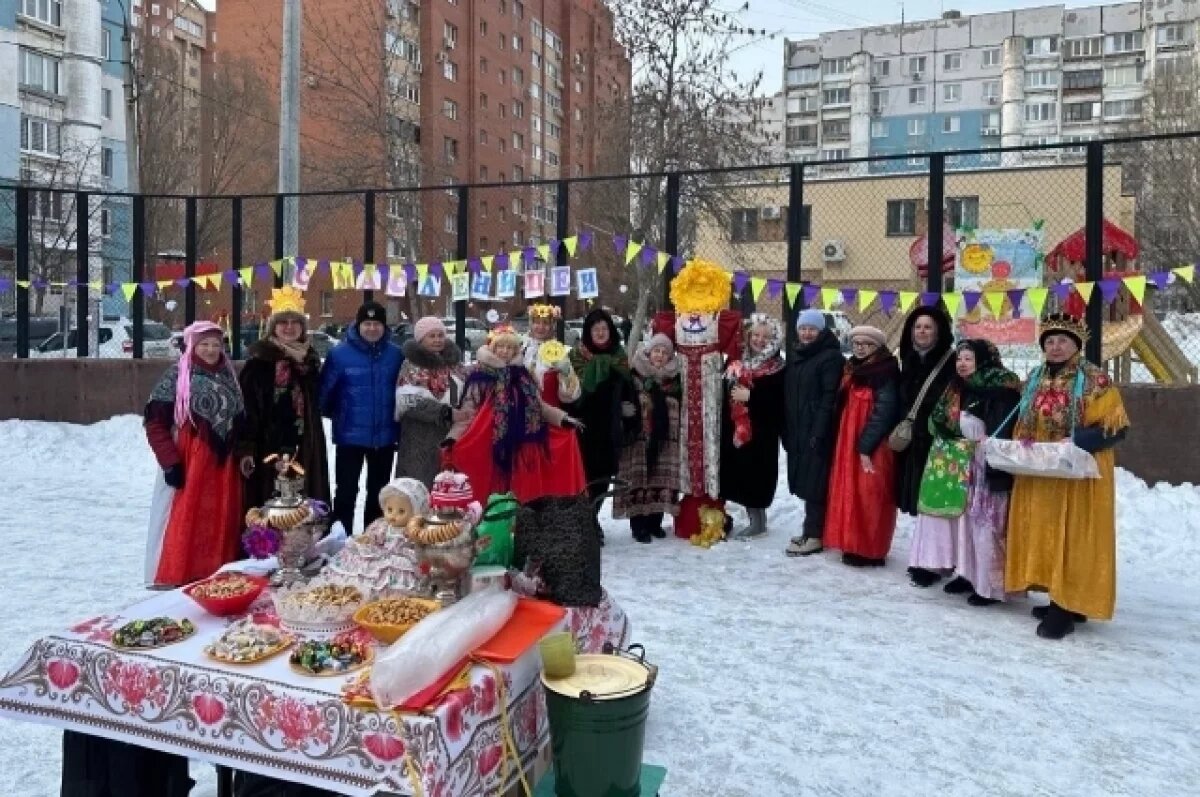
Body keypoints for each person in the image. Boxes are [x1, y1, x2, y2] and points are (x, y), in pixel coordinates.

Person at [1006, 314, 1129, 640]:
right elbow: (1024, 417)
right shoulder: (1035, 376)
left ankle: (1065, 608)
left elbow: (1116, 428)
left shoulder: (1095, 380)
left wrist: (1076, 441)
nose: (1055, 347)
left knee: (1073, 536)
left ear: (1076, 345)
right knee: (1047, 533)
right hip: (1043, 471)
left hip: (1079, 474)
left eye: (1062, 341)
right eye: (1049, 341)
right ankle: (1062, 598)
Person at [908, 340, 1021, 603]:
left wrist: (983, 445)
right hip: (960, 463)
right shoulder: (958, 387)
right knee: (965, 523)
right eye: (959, 358)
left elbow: (1002, 428)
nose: (961, 364)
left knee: (986, 523)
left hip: (986, 464)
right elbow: (938, 421)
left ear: (982, 360)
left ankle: (990, 586)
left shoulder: (1001, 388)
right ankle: (968, 574)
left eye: (968, 358)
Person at [143, 321, 245, 587]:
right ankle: (180, 573)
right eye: (204, 344)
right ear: (191, 345)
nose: (211, 350)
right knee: (187, 517)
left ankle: (216, 571)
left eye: (216, 344)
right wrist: (170, 462)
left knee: (221, 517)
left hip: (223, 464)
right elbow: (155, 423)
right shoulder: (177, 375)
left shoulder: (228, 374)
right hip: (191, 461)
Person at [651, 260, 742, 538]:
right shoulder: (671, 320)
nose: (699, 291)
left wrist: (735, 372)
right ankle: (689, 499)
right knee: (683, 446)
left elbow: (736, 357)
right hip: (683, 396)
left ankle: (712, 502)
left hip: (711, 396)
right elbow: (659, 353)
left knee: (710, 443)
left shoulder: (722, 320)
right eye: (694, 286)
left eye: (705, 286)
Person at [445, 324, 586, 503]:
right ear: (492, 347)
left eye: (510, 347)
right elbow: (468, 410)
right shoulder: (479, 374)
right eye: (500, 346)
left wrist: (562, 418)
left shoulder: (523, 374)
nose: (505, 351)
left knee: (520, 488)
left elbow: (538, 405)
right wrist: (454, 437)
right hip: (489, 440)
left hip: (521, 439)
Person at [237, 287, 330, 513]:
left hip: (306, 443)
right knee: (272, 503)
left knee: (305, 500)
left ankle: (307, 543)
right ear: (273, 327)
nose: (289, 327)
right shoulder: (258, 363)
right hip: (269, 445)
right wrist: (247, 448)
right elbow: (246, 409)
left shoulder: (310, 362)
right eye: (283, 322)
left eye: (295, 322)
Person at [319, 301, 404, 533]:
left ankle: (373, 537)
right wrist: (341, 415)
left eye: (377, 323)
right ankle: (340, 538)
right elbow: (325, 394)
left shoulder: (396, 355)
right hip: (350, 436)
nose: (372, 328)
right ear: (358, 325)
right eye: (367, 323)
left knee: (379, 492)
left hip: (384, 436)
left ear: (384, 327)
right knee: (346, 491)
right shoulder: (339, 354)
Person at [824, 325, 900, 567]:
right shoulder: (853, 368)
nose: (860, 348)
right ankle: (853, 543)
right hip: (850, 442)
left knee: (871, 495)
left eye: (866, 344)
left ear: (877, 347)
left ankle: (872, 550)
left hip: (873, 445)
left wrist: (866, 445)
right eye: (856, 344)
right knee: (852, 493)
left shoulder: (885, 371)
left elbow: (884, 412)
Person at [782, 309, 845, 557]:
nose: (807, 333)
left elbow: (829, 398)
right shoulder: (798, 356)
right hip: (799, 429)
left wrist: (818, 432)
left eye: (812, 329)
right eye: (803, 328)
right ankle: (811, 531)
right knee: (808, 482)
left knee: (816, 484)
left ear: (821, 331)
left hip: (816, 432)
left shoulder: (830, 358)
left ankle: (815, 535)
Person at [719, 313, 787, 539]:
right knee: (740, 475)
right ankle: (752, 517)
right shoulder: (736, 361)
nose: (759, 340)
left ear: (774, 340)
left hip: (762, 433)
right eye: (756, 335)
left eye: (766, 337)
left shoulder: (778, 367)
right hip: (737, 429)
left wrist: (752, 397)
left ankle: (758, 520)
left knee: (758, 477)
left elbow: (780, 404)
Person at [613, 334, 683, 543]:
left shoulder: (675, 379)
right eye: (656, 351)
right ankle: (639, 525)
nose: (659, 356)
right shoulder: (635, 376)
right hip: (639, 439)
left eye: (664, 352)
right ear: (648, 353)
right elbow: (623, 397)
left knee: (660, 477)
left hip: (665, 440)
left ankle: (655, 522)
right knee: (639, 479)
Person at [569, 308, 639, 505]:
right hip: (584, 426)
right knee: (585, 477)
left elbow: (628, 388)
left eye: (604, 328)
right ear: (588, 332)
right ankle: (586, 521)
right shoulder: (576, 356)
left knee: (604, 476)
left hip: (610, 427)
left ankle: (594, 518)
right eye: (595, 329)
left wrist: (625, 409)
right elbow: (571, 391)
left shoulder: (618, 355)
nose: (600, 333)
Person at [895, 306, 956, 516]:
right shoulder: (908, 360)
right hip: (912, 439)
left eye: (928, 327)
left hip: (937, 440)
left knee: (934, 498)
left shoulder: (951, 361)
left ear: (938, 331)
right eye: (918, 327)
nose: (922, 331)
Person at [394, 316, 465, 487]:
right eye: (431, 336)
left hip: (450, 435)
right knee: (418, 487)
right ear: (421, 339)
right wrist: (445, 412)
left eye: (440, 335)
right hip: (418, 438)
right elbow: (409, 402)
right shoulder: (411, 366)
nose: (437, 340)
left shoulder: (455, 365)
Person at [521, 302, 580, 408]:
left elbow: (571, 396)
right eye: (536, 322)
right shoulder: (521, 348)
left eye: (546, 323)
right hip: (522, 412)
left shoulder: (561, 351)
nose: (540, 327)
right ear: (531, 324)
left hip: (549, 415)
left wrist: (566, 373)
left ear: (552, 326)